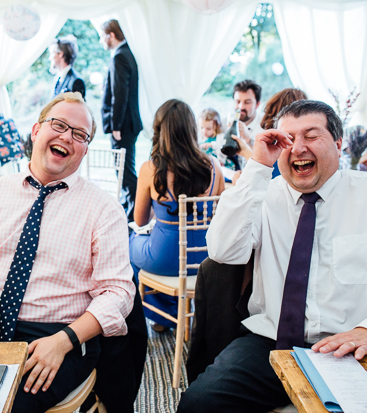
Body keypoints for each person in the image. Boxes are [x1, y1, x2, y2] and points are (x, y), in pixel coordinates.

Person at [0, 92, 141, 412]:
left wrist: (63, 342)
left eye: (79, 134)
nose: (67, 137)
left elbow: (118, 293)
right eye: (58, 125)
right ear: (36, 131)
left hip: (60, 335)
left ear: (85, 149)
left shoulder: (103, 208)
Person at [178, 100, 367, 412]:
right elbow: (222, 251)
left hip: (348, 345)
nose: (298, 148)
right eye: (289, 139)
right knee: (197, 404)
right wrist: (258, 166)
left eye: (311, 136)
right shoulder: (262, 196)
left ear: (338, 143)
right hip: (270, 342)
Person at [130, 100, 224, 331]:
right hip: (205, 257)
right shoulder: (214, 165)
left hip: (164, 256)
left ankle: (163, 316)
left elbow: (140, 220)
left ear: (159, 131)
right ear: (192, 129)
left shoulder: (150, 168)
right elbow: (222, 217)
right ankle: (182, 313)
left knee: (128, 246)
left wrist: (159, 204)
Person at [100, 19, 143, 222]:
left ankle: (133, 214)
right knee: (124, 171)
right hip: (127, 125)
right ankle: (130, 209)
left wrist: (116, 126)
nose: (102, 41)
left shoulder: (120, 57)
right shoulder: (126, 53)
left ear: (111, 35)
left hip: (123, 126)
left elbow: (120, 94)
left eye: (102, 36)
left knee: (124, 172)